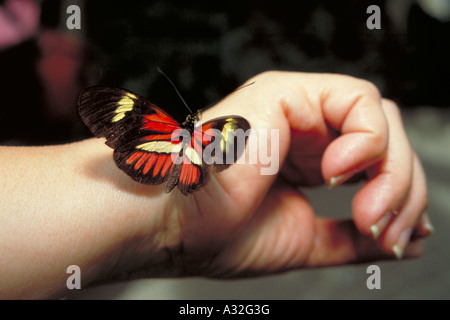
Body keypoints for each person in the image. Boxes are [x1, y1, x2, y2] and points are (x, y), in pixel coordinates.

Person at [0, 71, 431, 299]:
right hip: (181, 164)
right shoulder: (210, 133)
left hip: (167, 158)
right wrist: (166, 218)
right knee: (186, 167)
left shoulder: (202, 131)